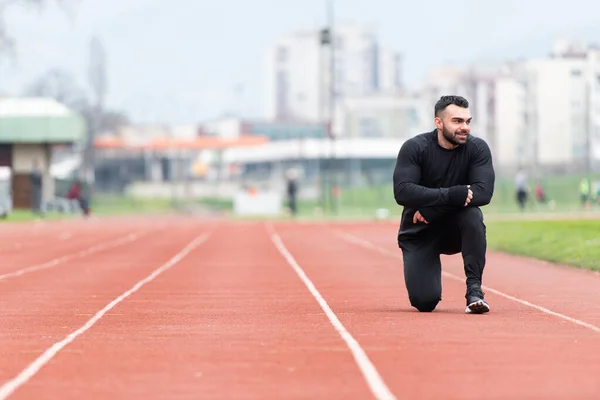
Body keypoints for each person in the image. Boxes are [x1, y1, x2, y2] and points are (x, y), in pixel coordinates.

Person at [392, 95, 495, 314]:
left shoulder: (477, 149)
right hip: (420, 231)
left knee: (473, 216)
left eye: (467, 121)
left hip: (452, 228)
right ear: (438, 123)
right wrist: (451, 195)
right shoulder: (415, 148)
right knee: (424, 302)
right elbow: (402, 191)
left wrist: (433, 208)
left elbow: (484, 193)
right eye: (457, 121)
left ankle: (474, 291)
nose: (464, 127)